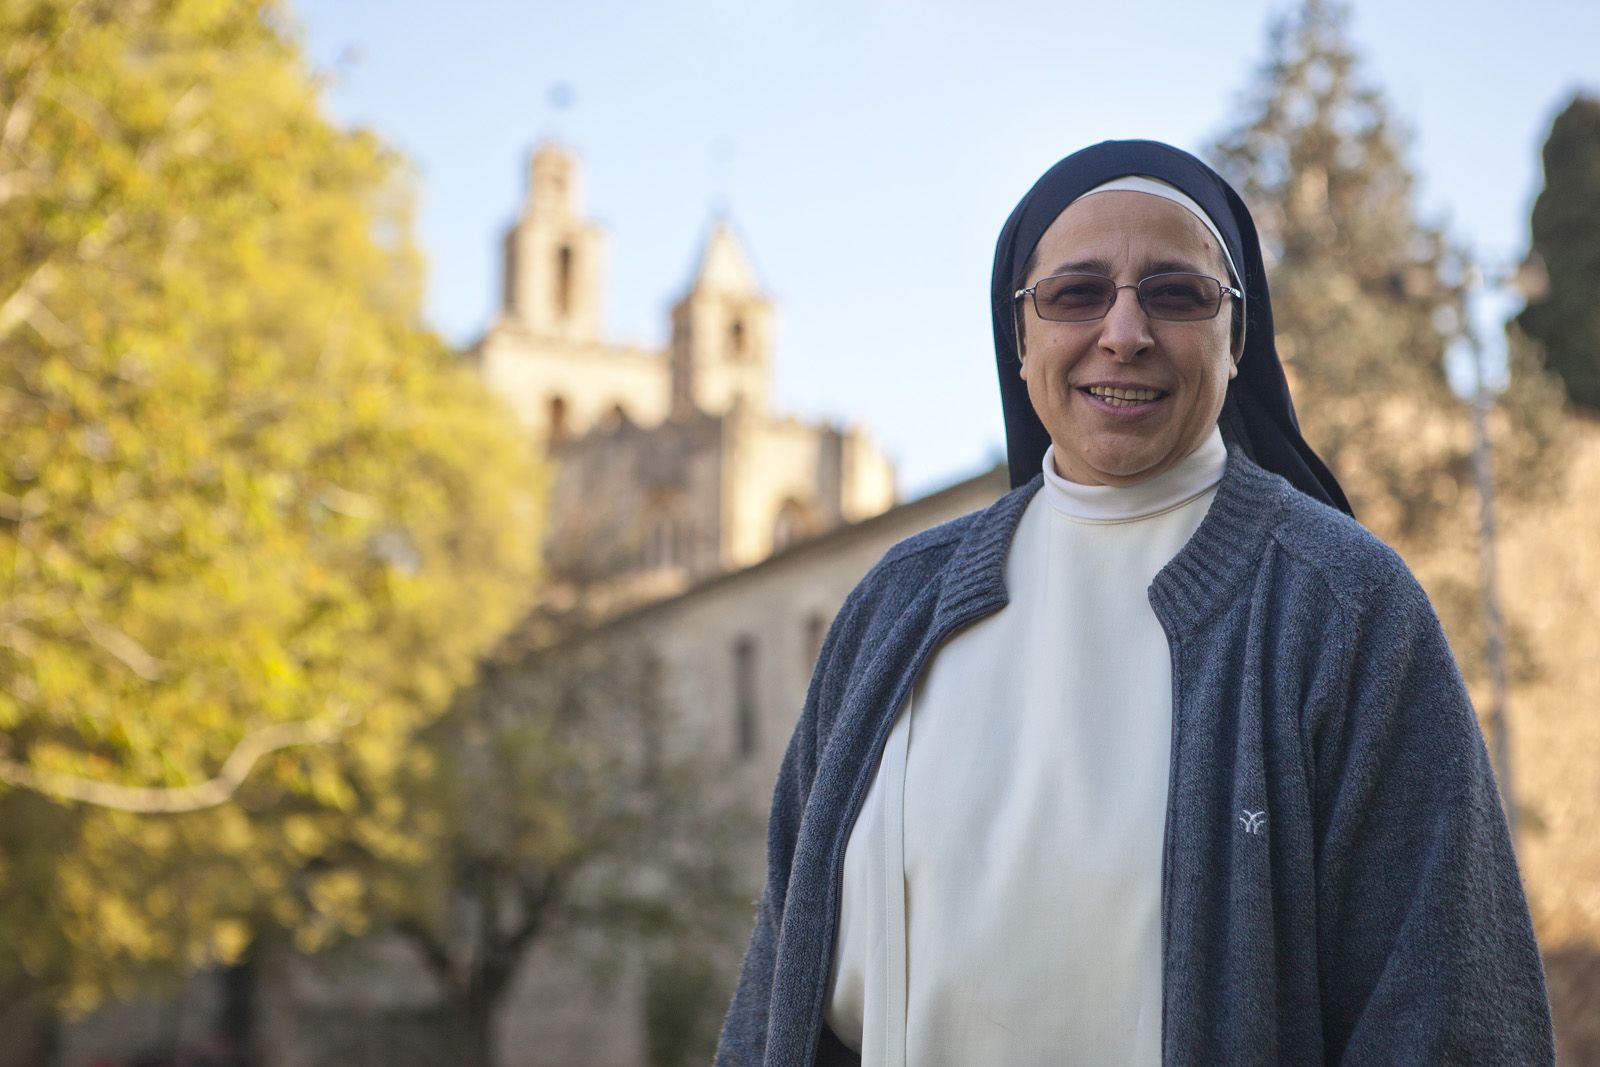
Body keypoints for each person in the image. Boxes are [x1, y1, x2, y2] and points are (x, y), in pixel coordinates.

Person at [714, 140, 1553, 1066]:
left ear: (1238, 337)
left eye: (1175, 292)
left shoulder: (1343, 609)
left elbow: (1450, 1017)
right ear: (1020, 334)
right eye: (1076, 294)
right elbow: (779, 994)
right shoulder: (894, 612)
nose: (1124, 332)